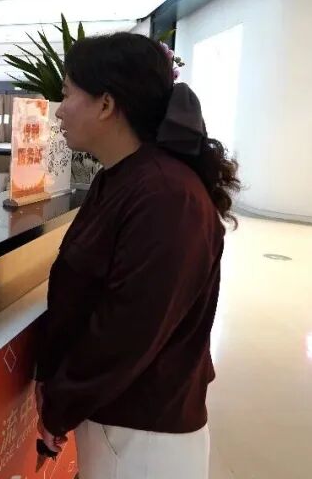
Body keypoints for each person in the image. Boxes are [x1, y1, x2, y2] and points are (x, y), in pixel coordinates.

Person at [35, 33, 240, 478]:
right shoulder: (122, 179)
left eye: (67, 94)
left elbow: (127, 331)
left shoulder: (164, 195)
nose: (59, 110)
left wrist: (60, 403)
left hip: (144, 437)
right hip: (116, 422)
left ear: (106, 104)